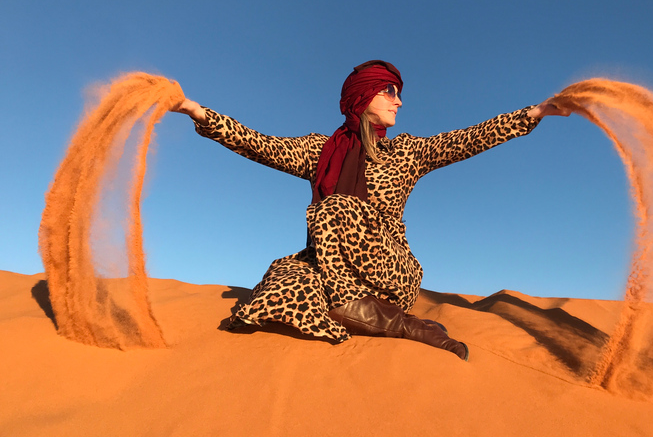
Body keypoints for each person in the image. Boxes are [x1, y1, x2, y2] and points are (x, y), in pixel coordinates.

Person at [172, 60, 569, 361]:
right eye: (390, 91)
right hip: (332, 267)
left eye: (398, 92)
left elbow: (467, 140)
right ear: (363, 98)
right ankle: (402, 325)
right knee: (278, 288)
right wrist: (195, 110)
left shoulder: (408, 152)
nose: (400, 100)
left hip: (388, 268)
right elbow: (259, 144)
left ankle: (366, 309)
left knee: (336, 208)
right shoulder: (319, 150)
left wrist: (536, 112)